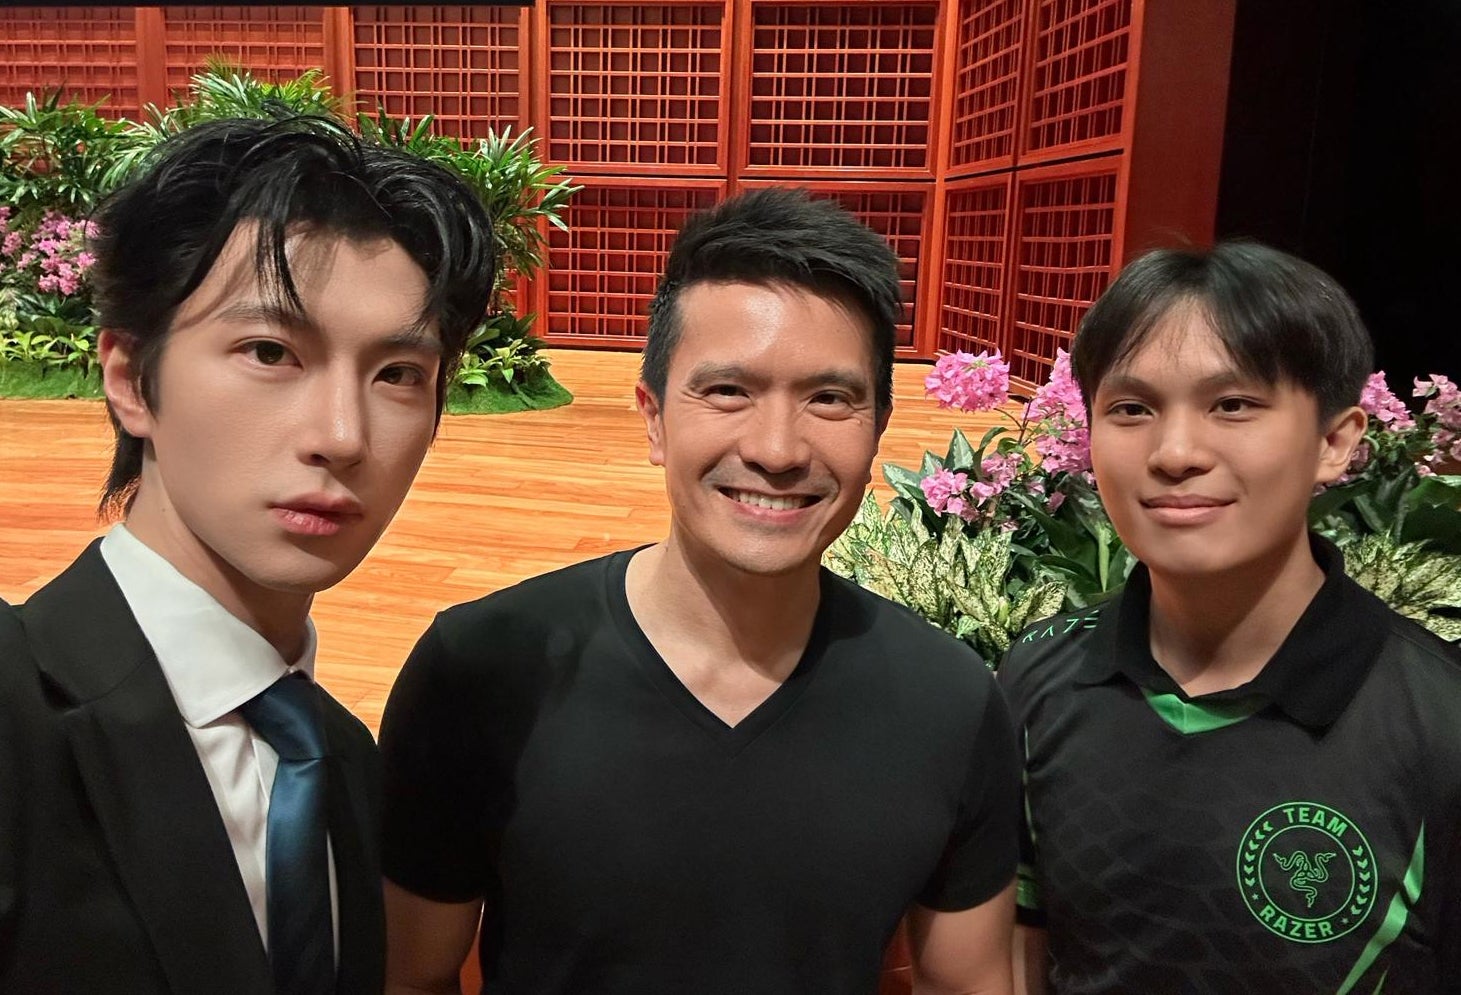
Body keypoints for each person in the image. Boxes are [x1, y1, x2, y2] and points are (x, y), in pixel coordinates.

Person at [379, 188, 1020, 995]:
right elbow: (409, 976)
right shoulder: (480, 668)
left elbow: (968, 983)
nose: (777, 449)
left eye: (829, 398)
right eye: (726, 391)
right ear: (652, 418)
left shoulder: (949, 701)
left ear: (877, 426)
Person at [0, 114, 494, 994]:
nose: (342, 435)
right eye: (270, 351)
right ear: (130, 379)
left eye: (397, 374)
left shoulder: (342, 758)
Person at [1000, 242, 1461, 993]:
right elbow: (1024, 945)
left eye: (1233, 405)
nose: (1175, 452)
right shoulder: (1040, 674)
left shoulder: (1440, 722)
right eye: (1131, 409)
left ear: (1335, 442)